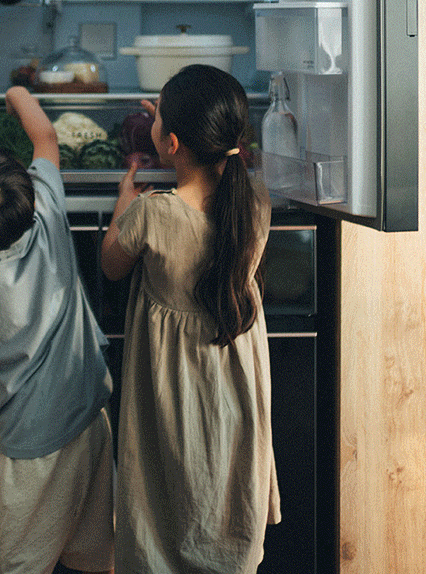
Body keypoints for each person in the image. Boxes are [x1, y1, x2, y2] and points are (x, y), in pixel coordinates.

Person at [100, 65, 281, 574]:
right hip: (233, 380)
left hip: (171, 388)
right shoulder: (255, 203)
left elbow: (112, 265)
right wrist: (179, 130)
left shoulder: (152, 213)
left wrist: (122, 202)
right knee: (223, 475)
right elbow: (216, 160)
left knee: (171, 489)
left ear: (173, 143)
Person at [0, 85, 115, 574]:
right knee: (99, 552)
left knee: (23, 560)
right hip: (89, 415)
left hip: (32, 441)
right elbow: (46, 137)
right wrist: (15, 92)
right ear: (27, 197)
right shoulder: (49, 217)